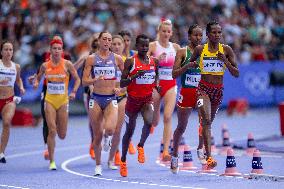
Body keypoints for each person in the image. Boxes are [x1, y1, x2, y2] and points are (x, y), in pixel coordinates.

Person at [189, 21, 239, 169]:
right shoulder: (199, 49)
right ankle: (209, 157)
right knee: (206, 119)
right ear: (208, 34)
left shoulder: (227, 50)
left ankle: (201, 147)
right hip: (203, 89)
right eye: (214, 32)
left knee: (207, 123)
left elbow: (236, 73)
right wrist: (194, 65)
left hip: (218, 91)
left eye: (219, 32)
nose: (217, 35)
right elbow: (191, 63)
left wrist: (225, 61)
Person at [33, 36, 80, 170]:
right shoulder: (45, 65)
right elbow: (38, 77)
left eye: (59, 49)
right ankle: (52, 161)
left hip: (63, 101)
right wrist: (36, 82)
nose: (57, 51)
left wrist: (74, 92)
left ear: (63, 51)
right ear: (50, 50)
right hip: (50, 100)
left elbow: (77, 79)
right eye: (54, 48)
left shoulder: (67, 64)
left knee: (62, 135)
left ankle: (59, 126)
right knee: (52, 130)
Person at [82, 31, 124, 176]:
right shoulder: (91, 59)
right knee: (97, 135)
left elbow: (126, 78)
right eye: (104, 39)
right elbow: (84, 81)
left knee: (111, 129)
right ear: (99, 41)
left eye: (109, 40)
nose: (107, 42)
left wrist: (120, 88)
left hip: (111, 98)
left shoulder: (117, 59)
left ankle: (109, 139)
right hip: (96, 99)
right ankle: (98, 165)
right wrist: (94, 80)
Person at [119, 34, 160, 177]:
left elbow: (156, 76)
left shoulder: (154, 61)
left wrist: (157, 85)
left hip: (147, 100)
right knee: (129, 132)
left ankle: (141, 145)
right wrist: (134, 76)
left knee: (149, 123)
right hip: (132, 102)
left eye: (146, 46)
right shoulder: (130, 62)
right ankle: (123, 161)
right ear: (137, 46)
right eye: (142, 45)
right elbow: (122, 83)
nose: (144, 48)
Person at [28, 36, 71, 161]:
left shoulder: (66, 57)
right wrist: (35, 79)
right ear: (51, 47)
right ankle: (48, 146)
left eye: (59, 46)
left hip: (61, 89)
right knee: (46, 118)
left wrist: (67, 88)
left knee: (59, 129)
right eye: (54, 46)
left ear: (62, 47)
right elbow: (41, 70)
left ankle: (57, 122)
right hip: (47, 90)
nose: (56, 50)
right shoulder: (45, 55)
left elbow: (69, 73)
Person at [170, 24, 205, 173]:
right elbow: (174, 74)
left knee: (205, 121)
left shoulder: (205, 51)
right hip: (187, 92)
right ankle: (174, 156)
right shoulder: (182, 51)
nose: (198, 38)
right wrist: (187, 66)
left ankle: (200, 149)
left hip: (202, 92)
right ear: (189, 36)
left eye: (200, 35)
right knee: (181, 127)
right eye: (195, 35)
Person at [148, 19, 180, 161]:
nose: (166, 33)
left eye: (168, 31)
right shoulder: (153, 46)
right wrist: (155, 60)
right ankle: (153, 122)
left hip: (171, 85)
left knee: (168, 116)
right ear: (159, 32)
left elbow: (186, 59)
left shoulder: (176, 47)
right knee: (155, 121)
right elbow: (142, 61)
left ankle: (166, 151)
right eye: (163, 31)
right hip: (155, 85)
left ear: (171, 33)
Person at [108, 35, 136, 169]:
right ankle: (105, 137)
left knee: (117, 130)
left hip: (121, 97)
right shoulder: (105, 60)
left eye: (119, 44)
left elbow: (130, 81)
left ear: (123, 46)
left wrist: (122, 88)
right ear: (110, 45)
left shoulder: (127, 62)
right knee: (108, 128)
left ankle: (113, 157)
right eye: (114, 44)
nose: (117, 46)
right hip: (105, 97)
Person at [73, 33, 99, 160]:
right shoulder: (86, 55)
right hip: (89, 93)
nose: (96, 42)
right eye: (94, 39)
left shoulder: (108, 55)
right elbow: (72, 69)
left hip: (105, 91)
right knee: (92, 119)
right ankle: (93, 142)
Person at [0, 41, 25, 163]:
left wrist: (21, 87)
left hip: (9, 100)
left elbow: (18, 79)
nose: (8, 52)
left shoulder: (16, 67)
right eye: (6, 49)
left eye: (10, 50)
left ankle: (1, 152)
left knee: (6, 122)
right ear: (1, 52)